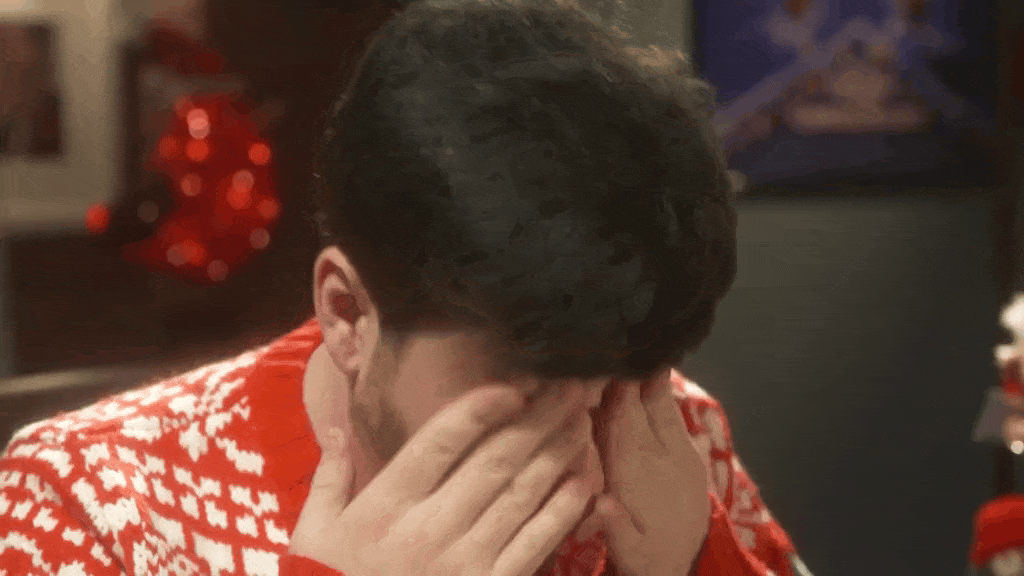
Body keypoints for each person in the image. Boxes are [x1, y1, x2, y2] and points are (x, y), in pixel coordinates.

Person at [0, 0, 813, 574]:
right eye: (525, 390)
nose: (583, 463)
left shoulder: (674, 429)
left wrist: (699, 562)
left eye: (610, 386)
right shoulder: (88, 501)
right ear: (348, 314)